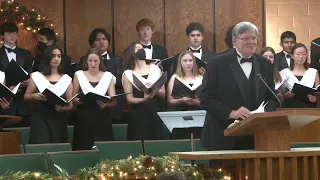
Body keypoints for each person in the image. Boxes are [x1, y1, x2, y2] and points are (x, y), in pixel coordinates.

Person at [200, 22, 279, 163]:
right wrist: (230, 112)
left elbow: (272, 97)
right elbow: (205, 98)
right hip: (223, 136)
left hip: (256, 137)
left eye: (254, 38)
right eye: (246, 38)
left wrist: (263, 112)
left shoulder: (264, 64)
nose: (252, 42)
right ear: (235, 41)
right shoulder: (216, 63)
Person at [24, 45, 72, 143]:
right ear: (47, 58)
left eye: (59, 56)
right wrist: (33, 96)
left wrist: (65, 108)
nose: (56, 59)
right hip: (40, 117)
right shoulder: (36, 76)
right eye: (53, 56)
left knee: (57, 149)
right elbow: (26, 96)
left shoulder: (66, 79)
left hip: (59, 119)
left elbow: (70, 104)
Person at [72, 48, 116, 150]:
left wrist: (106, 105)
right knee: (83, 146)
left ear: (100, 61)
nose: (93, 64)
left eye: (95, 61)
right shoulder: (79, 75)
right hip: (84, 117)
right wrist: (80, 101)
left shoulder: (108, 76)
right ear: (86, 61)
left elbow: (113, 101)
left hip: (102, 117)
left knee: (103, 148)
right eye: (90, 61)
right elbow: (73, 99)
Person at [77, 28, 123, 123]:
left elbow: (121, 82)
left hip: (111, 108)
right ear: (92, 43)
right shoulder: (84, 59)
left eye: (104, 39)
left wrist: (108, 78)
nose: (101, 42)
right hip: (88, 108)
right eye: (98, 40)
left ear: (109, 42)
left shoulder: (117, 60)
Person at [122, 42, 165, 140]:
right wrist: (143, 99)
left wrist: (154, 91)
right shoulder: (128, 74)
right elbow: (129, 99)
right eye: (138, 48)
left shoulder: (155, 69)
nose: (141, 50)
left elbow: (163, 94)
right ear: (132, 53)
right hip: (138, 115)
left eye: (142, 48)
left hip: (154, 113)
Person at [0, 22, 33, 126]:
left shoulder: (26, 54)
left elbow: (31, 73)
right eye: (9, 33)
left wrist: (28, 82)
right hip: (4, 102)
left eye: (14, 33)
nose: (12, 36)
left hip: (23, 103)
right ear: (2, 35)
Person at [280, 43, 319, 108]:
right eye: (298, 54)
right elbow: (280, 94)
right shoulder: (284, 72)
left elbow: (318, 93)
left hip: (309, 106)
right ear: (292, 55)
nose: (301, 57)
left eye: (304, 54)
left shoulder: (313, 72)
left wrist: (315, 98)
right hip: (290, 106)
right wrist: (286, 95)